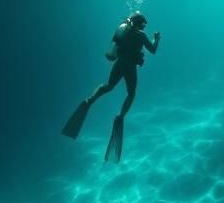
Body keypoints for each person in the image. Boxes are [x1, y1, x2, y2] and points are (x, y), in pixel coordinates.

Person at [61, 12, 161, 163]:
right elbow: (152, 50)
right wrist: (156, 39)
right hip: (129, 67)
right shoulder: (140, 35)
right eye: (143, 24)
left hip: (119, 63)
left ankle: (90, 100)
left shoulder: (123, 31)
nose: (144, 26)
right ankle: (120, 115)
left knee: (109, 86)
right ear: (141, 23)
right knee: (131, 93)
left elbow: (115, 47)